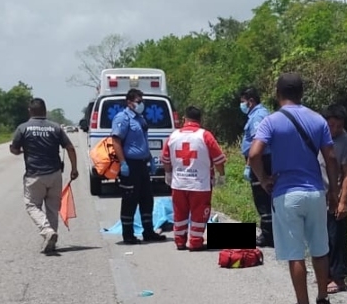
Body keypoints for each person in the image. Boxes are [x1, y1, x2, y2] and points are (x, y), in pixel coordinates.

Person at [248, 73, 339, 304]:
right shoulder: (318, 119)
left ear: (278, 94)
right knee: (320, 248)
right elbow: (330, 157)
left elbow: (254, 154)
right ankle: (323, 298)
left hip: (287, 194)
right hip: (315, 192)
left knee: (295, 253)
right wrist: (334, 191)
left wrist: (264, 178)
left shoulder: (271, 121)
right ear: (302, 93)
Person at [10, 97, 79, 254]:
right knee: (53, 208)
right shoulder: (55, 128)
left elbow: (14, 149)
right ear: (45, 110)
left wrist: (19, 150)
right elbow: (70, 148)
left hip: (34, 175)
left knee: (32, 205)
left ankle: (47, 231)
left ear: (30, 111)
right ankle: (51, 239)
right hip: (55, 174)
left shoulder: (23, 128)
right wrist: (74, 169)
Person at [161, 106, 227, 251]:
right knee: (199, 213)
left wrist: (168, 174)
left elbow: (165, 159)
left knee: (179, 213)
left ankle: (179, 241)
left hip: (178, 184)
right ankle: (196, 242)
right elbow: (218, 159)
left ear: (185, 119)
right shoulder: (205, 135)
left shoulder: (173, 135)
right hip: (200, 185)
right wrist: (221, 175)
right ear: (200, 120)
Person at [111, 88, 167, 245]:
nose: (142, 104)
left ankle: (148, 232)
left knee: (147, 199)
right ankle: (128, 235)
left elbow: (142, 140)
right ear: (129, 102)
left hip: (142, 164)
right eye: (139, 101)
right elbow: (116, 141)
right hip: (130, 164)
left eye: (142, 101)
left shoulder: (140, 119)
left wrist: (150, 159)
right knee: (130, 200)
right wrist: (123, 163)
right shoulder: (122, 118)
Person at [322, 104, 347, 293]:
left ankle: (338, 277)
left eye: (339, 126)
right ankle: (325, 274)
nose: (334, 130)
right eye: (331, 125)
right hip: (320, 195)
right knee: (322, 237)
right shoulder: (319, 137)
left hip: (336, 197)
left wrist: (343, 201)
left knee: (337, 238)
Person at [239, 87, 273, 247]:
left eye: (243, 102)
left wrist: (249, 165)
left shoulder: (258, 115)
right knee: (263, 197)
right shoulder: (255, 115)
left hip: (260, 161)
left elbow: (257, 143)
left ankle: (268, 236)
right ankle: (269, 233)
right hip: (259, 160)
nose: (242, 105)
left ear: (251, 101)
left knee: (263, 199)